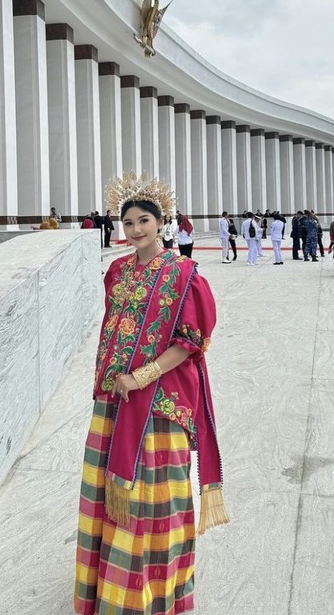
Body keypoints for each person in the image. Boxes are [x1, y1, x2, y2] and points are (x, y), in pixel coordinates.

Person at [74, 174, 229, 615]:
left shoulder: (185, 275)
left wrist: (141, 377)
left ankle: (157, 596)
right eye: (128, 222)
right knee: (110, 498)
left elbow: (191, 341)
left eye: (144, 220)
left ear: (162, 223)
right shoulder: (118, 271)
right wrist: (117, 380)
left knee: (157, 499)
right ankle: (112, 593)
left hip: (160, 400)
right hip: (114, 400)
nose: (136, 229)